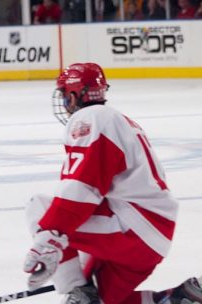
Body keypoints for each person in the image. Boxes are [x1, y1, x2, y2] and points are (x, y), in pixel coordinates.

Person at [22, 63, 202, 304]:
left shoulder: (90, 118)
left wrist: (51, 239)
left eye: (66, 95)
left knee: (40, 206)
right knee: (104, 301)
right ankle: (177, 298)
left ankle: (77, 291)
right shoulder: (117, 120)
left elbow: (82, 187)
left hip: (133, 229)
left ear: (74, 95)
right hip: (151, 234)